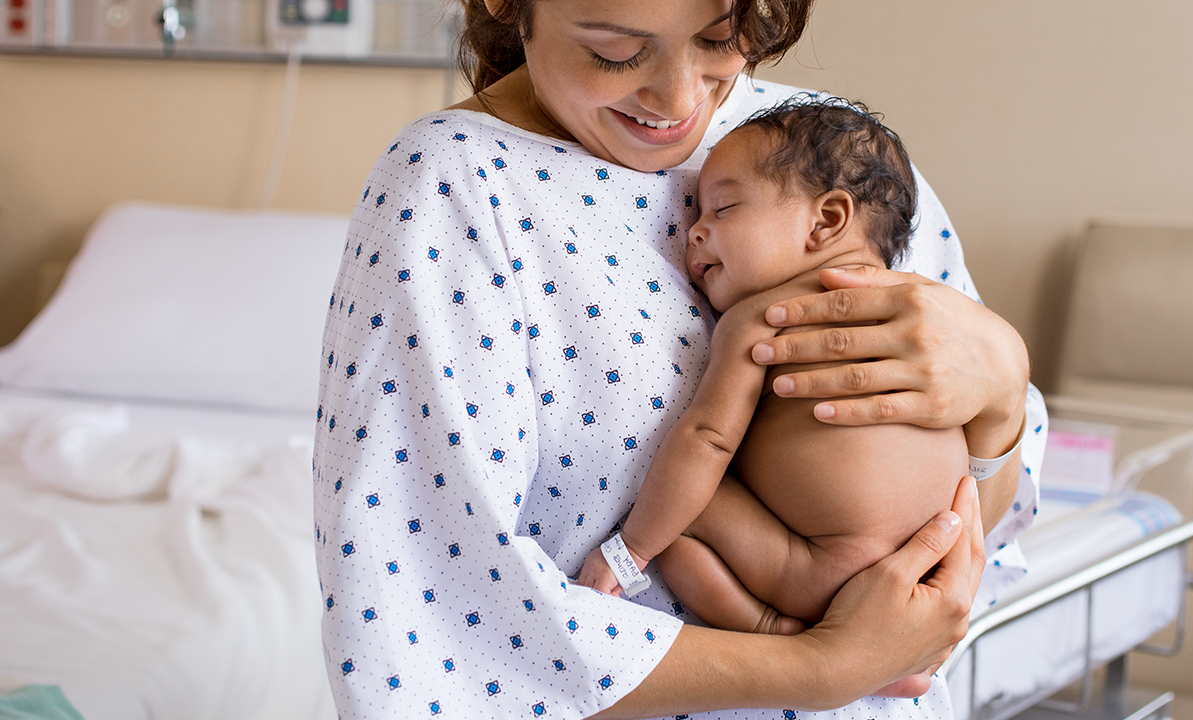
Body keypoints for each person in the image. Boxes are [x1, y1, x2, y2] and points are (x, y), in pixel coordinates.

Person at [312, 0, 1047, 718]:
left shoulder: (832, 154)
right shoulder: (457, 185)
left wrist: (1002, 399)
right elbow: (428, 611)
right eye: (615, 50)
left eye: (720, 39)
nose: (677, 98)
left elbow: (974, 541)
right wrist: (813, 668)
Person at [576, 98, 974, 645]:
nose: (694, 231)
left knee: (676, 508)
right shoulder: (927, 311)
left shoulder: (762, 318)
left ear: (826, 221)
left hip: (818, 573)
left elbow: (708, 439)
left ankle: (768, 628)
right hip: (929, 566)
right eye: (695, 214)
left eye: (724, 209)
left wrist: (630, 552)